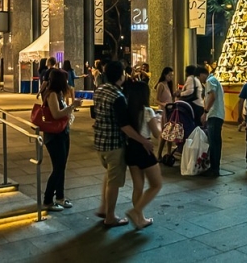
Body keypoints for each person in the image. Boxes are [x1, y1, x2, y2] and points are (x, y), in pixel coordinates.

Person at [93, 61, 153, 227]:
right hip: (114, 145)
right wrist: (143, 141)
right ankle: (110, 217)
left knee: (110, 175)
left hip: (99, 143)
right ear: (121, 75)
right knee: (114, 182)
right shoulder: (117, 97)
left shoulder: (100, 90)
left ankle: (104, 208)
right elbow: (124, 126)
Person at [40, 68, 82, 211]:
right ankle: (47, 200)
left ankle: (60, 197)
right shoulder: (51, 94)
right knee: (58, 168)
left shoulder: (58, 93)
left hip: (63, 133)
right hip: (54, 136)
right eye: (65, 80)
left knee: (61, 166)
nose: (67, 82)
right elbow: (56, 114)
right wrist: (72, 106)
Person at [123, 81, 161, 229]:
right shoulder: (147, 111)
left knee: (138, 186)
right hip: (145, 148)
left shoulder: (128, 111)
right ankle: (136, 211)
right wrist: (158, 122)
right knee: (156, 184)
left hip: (131, 149)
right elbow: (157, 134)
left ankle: (140, 219)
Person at [202, 68, 226, 177]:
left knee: (214, 142)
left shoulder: (209, 80)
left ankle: (214, 168)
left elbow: (212, 96)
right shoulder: (214, 80)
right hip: (218, 114)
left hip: (214, 115)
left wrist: (205, 111)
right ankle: (215, 167)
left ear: (202, 74)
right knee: (216, 142)